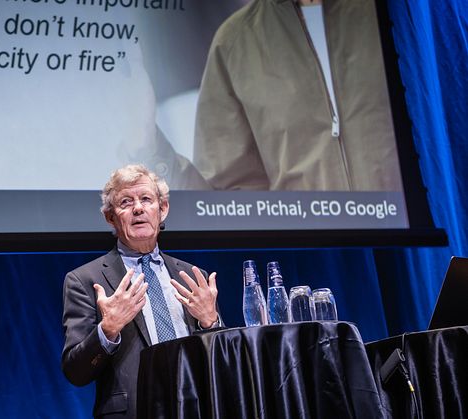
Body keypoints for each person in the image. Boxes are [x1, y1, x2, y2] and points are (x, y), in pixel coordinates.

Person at [61, 164, 224, 418]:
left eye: (146, 199)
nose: (138, 208)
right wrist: (107, 330)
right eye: (126, 202)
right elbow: (76, 371)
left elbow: (221, 362)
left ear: (163, 209)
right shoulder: (85, 280)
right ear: (110, 217)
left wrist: (210, 322)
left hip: (197, 408)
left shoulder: (194, 277)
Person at [194, 0, 403, 191]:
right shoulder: (234, 42)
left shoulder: (395, 12)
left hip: (410, 226)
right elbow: (231, 187)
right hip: (306, 230)